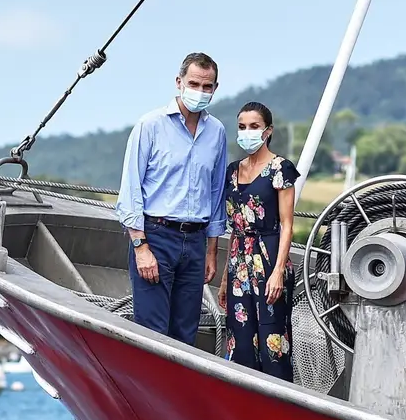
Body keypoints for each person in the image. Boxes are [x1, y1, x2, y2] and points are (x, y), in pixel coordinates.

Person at [116, 52, 228, 345]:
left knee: (185, 333)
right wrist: (141, 247)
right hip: (156, 236)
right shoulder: (150, 125)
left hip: (195, 242)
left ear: (215, 88)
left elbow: (215, 192)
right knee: (151, 332)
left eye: (207, 86)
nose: (200, 91)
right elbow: (131, 189)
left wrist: (211, 251)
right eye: (194, 83)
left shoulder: (216, 132)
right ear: (179, 82)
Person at [218, 101, 299, 380]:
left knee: (272, 339)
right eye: (242, 127)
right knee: (239, 339)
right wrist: (226, 279)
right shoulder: (231, 171)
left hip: (269, 257)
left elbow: (288, 224)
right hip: (239, 261)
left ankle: (281, 404)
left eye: (254, 127)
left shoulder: (281, 168)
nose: (247, 132)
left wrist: (278, 272)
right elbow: (234, 227)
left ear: (268, 131)